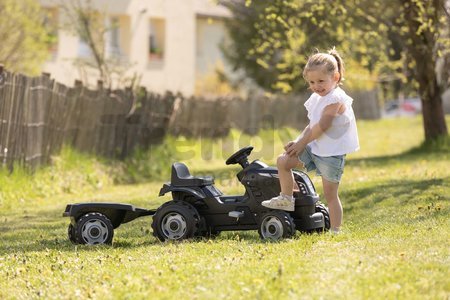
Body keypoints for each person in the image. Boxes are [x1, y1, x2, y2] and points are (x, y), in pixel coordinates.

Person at [261, 48, 359, 233]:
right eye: (312, 82)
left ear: (336, 77)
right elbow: (311, 125)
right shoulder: (316, 98)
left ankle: (335, 230)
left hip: (331, 153)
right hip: (315, 148)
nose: (316, 86)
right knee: (283, 161)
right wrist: (298, 142)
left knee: (330, 194)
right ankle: (287, 199)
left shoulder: (336, 99)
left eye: (321, 81)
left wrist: (302, 143)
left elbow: (322, 126)